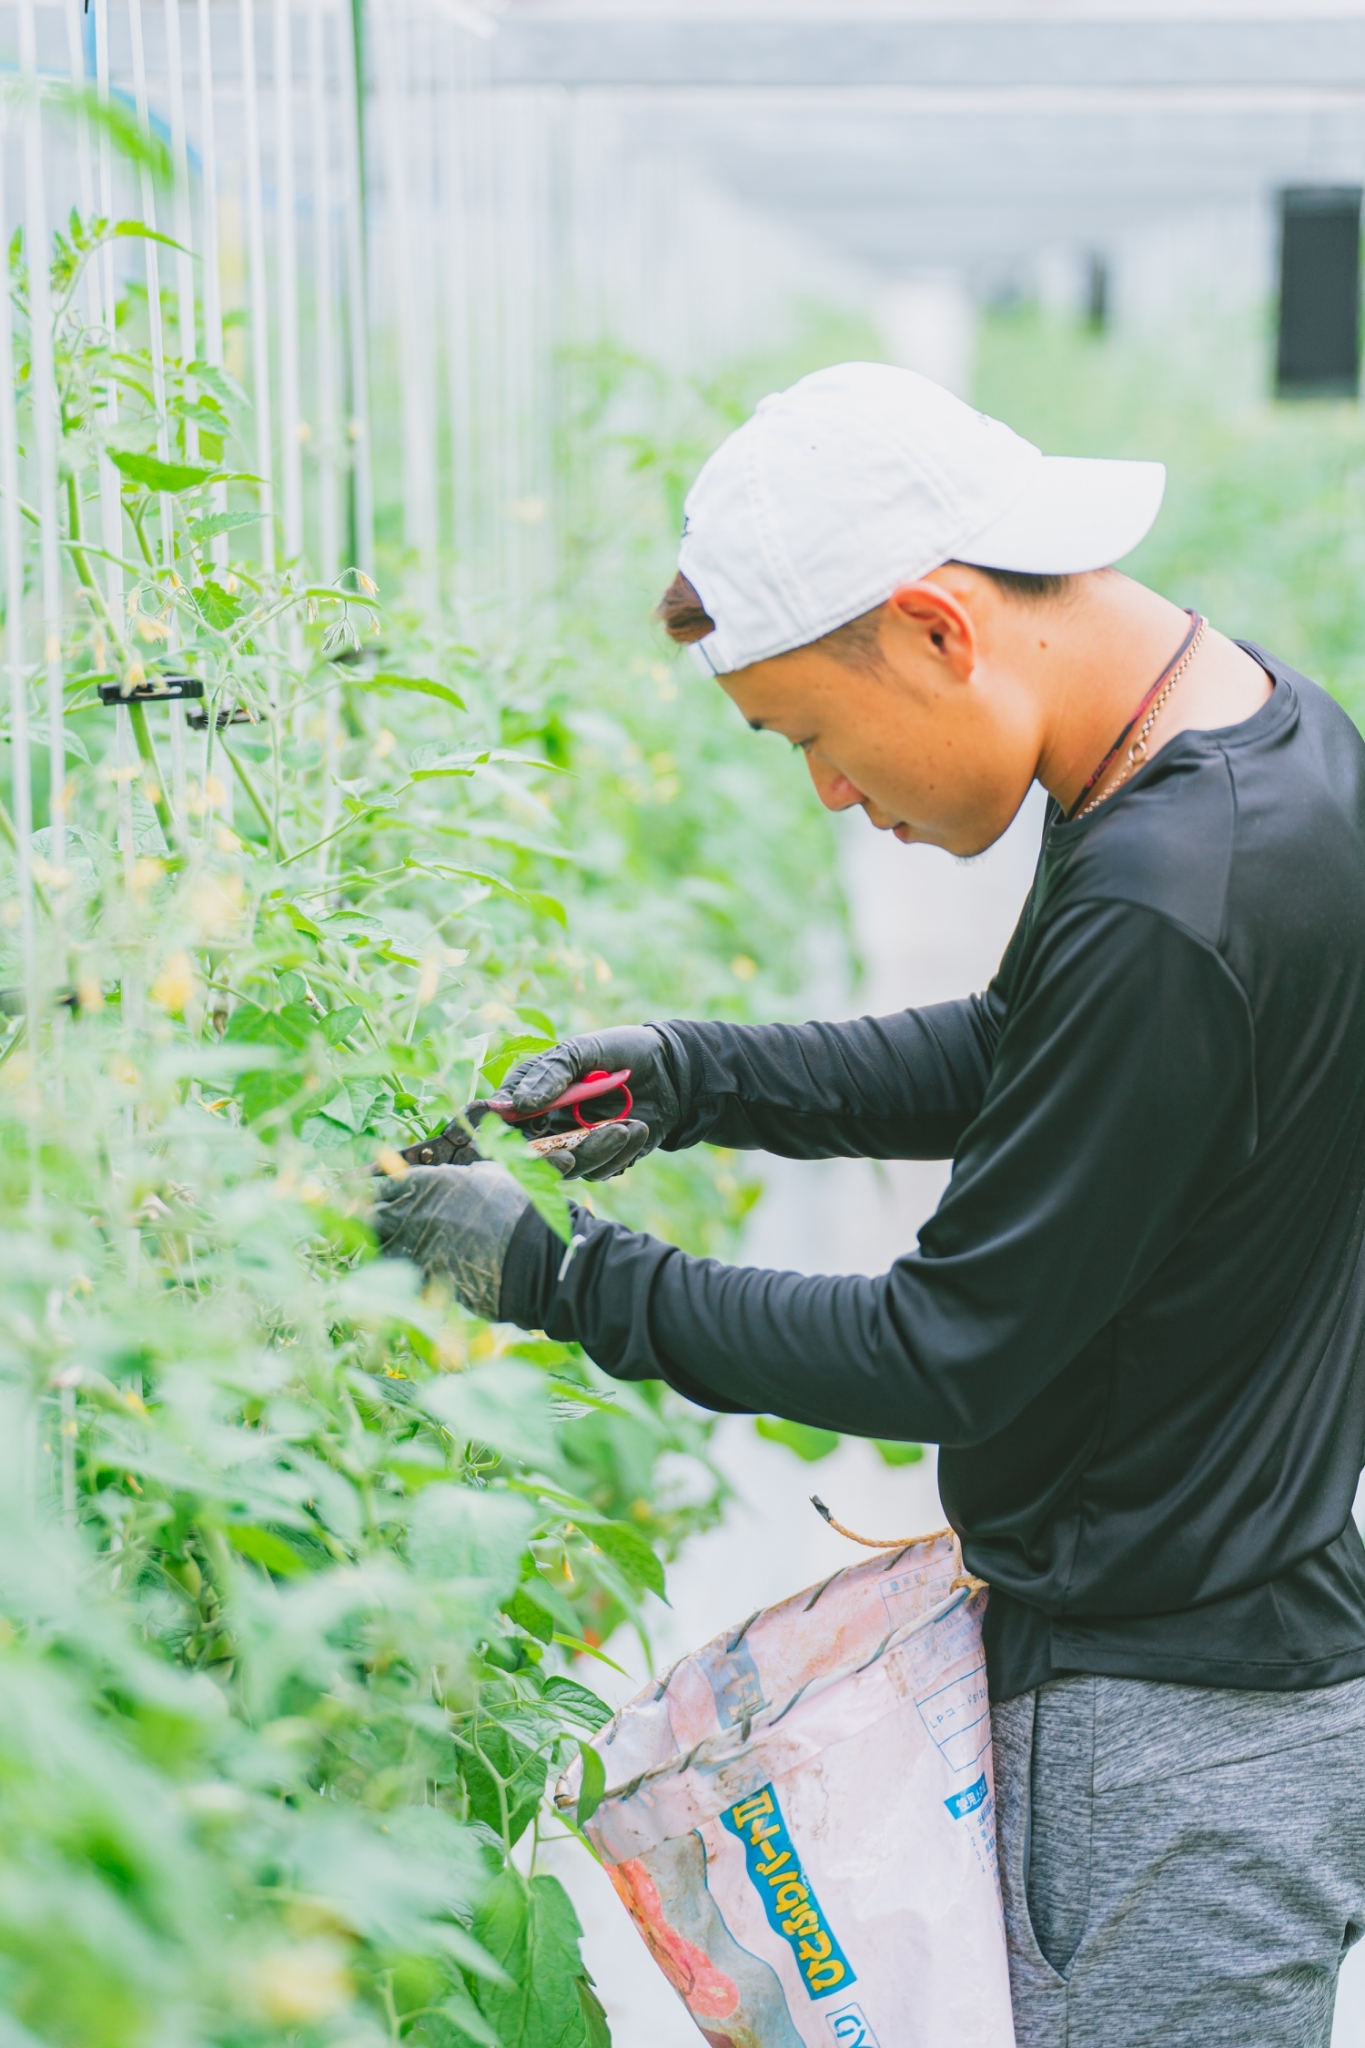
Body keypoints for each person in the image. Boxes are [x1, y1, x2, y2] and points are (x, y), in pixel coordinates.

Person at [374, 363, 1365, 2047]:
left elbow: (944, 1352)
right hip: (1211, 1679)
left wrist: (559, 1278)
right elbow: (1029, 1050)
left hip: (1168, 1748)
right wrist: (701, 1076)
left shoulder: (1168, 896)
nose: (829, 796)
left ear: (933, 628)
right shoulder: (1230, 746)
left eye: (809, 738)